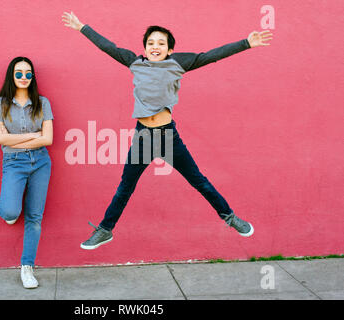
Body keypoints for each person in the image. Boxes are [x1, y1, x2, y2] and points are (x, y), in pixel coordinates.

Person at [62, 12, 273, 250]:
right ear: (144, 47)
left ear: (170, 50)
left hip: (167, 137)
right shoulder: (135, 63)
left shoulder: (177, 64)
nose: (155, 46)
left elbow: (211, 56)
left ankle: (230, 217)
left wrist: (246, 43)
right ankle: (105, 230)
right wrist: (82, 27)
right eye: (151, 43)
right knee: (125, 188)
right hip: (143, 137)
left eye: (161, 43)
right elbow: (108, 47)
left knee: (199, 182)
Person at [0, 57, 54, 288]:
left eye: (28, 73)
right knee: (9, 210)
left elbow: (48, 139)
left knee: (34, 217)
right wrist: (34, 137)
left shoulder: (42, 102)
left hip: (40, 163)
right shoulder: (1, 104)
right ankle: (10, 213)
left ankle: (27, 267)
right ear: (12, 75)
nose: (24, 77)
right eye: (19, 73)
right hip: (13, 162)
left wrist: (13, 139)